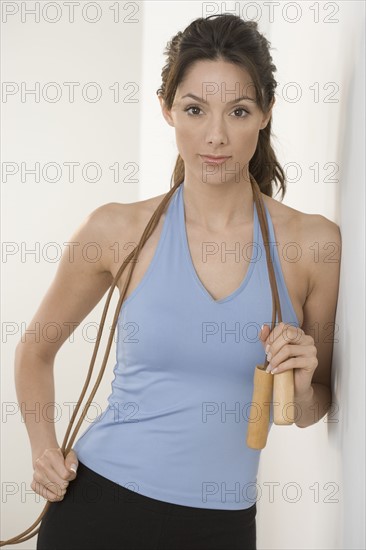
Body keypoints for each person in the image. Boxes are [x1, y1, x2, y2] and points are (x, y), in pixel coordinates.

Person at [10, 13, 340, 550]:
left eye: (238, 111)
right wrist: (44, 449)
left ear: (265, 113)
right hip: (98, 511)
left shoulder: (314, 244)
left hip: (222, 528)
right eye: (194, 109)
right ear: (167, 108)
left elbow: (313, 407)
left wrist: (301, 388)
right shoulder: (116, 229)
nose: (215, 136)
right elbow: (34, 352)